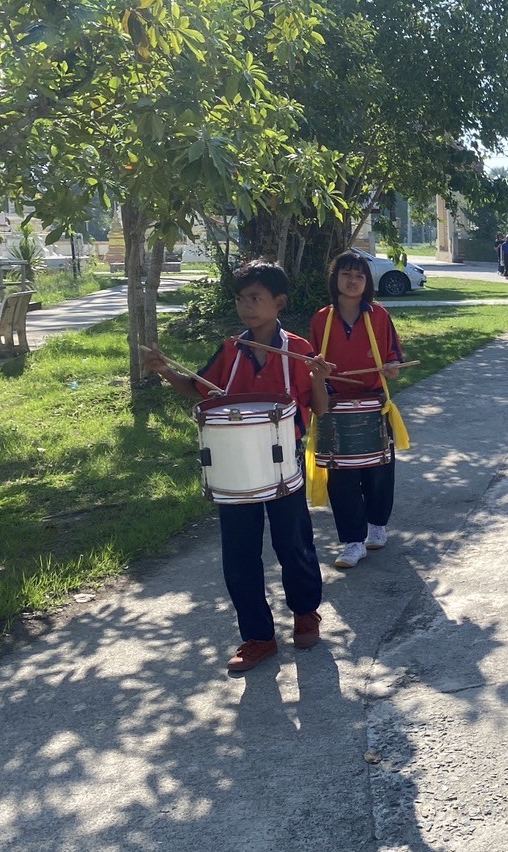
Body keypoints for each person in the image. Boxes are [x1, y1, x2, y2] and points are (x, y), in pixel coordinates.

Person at [142, 260, 331, 673]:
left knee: (293, 543)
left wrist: (317, 376)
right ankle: (258, 636)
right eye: (241, 299)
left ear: (279, 303)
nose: (246, 306)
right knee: (239, 553)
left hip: (284, 462)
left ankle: (305, 612)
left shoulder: (298, 350)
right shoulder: (231, 350)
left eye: (255, 298)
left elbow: (320, 407)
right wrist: (165, 371)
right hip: (234, 468)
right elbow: (198, 390)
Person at [311, 252, 404, 569]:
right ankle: (353, 541)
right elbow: (313, 361)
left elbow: (393, 354)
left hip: (373, 400)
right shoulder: (320, 319)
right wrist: (318, 372)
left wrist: (392, 366)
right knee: (341, 475)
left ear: (367, 282)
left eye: (359, 276)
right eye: (346, 274)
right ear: (334, 279)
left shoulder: (379, 315)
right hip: (335, 403)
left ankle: (377, 525)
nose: (352, 281)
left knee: (379, 469)